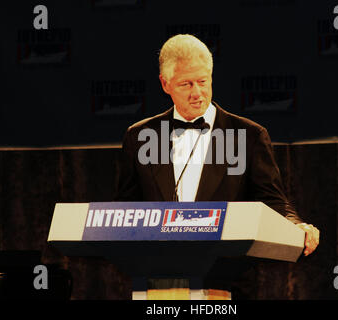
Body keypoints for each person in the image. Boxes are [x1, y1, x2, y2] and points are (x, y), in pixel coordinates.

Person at [117, 34, 319, 297]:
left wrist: (296, 225)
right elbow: (125, 209)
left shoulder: (248, 135)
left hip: (226, 283)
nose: (197, 93)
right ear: (165, 84)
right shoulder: (139, 136)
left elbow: (273, 201)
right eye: (186, 84)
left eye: (203, 81)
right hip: (158, 284)